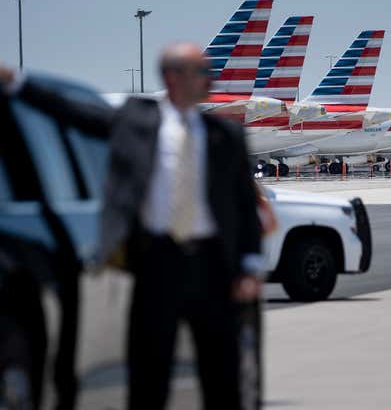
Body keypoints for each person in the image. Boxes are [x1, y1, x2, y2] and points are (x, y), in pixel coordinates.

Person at [0, 43, 264, 408]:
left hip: (214, 268)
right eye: (201, 71)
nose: (210, 79)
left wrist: (250, 265)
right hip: (156, 264)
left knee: (223, 378)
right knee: (148, 377)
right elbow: (75, 113)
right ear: (172, 78)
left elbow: (244, 206)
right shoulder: (137, 123)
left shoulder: (225, 135)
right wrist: (18, 83)